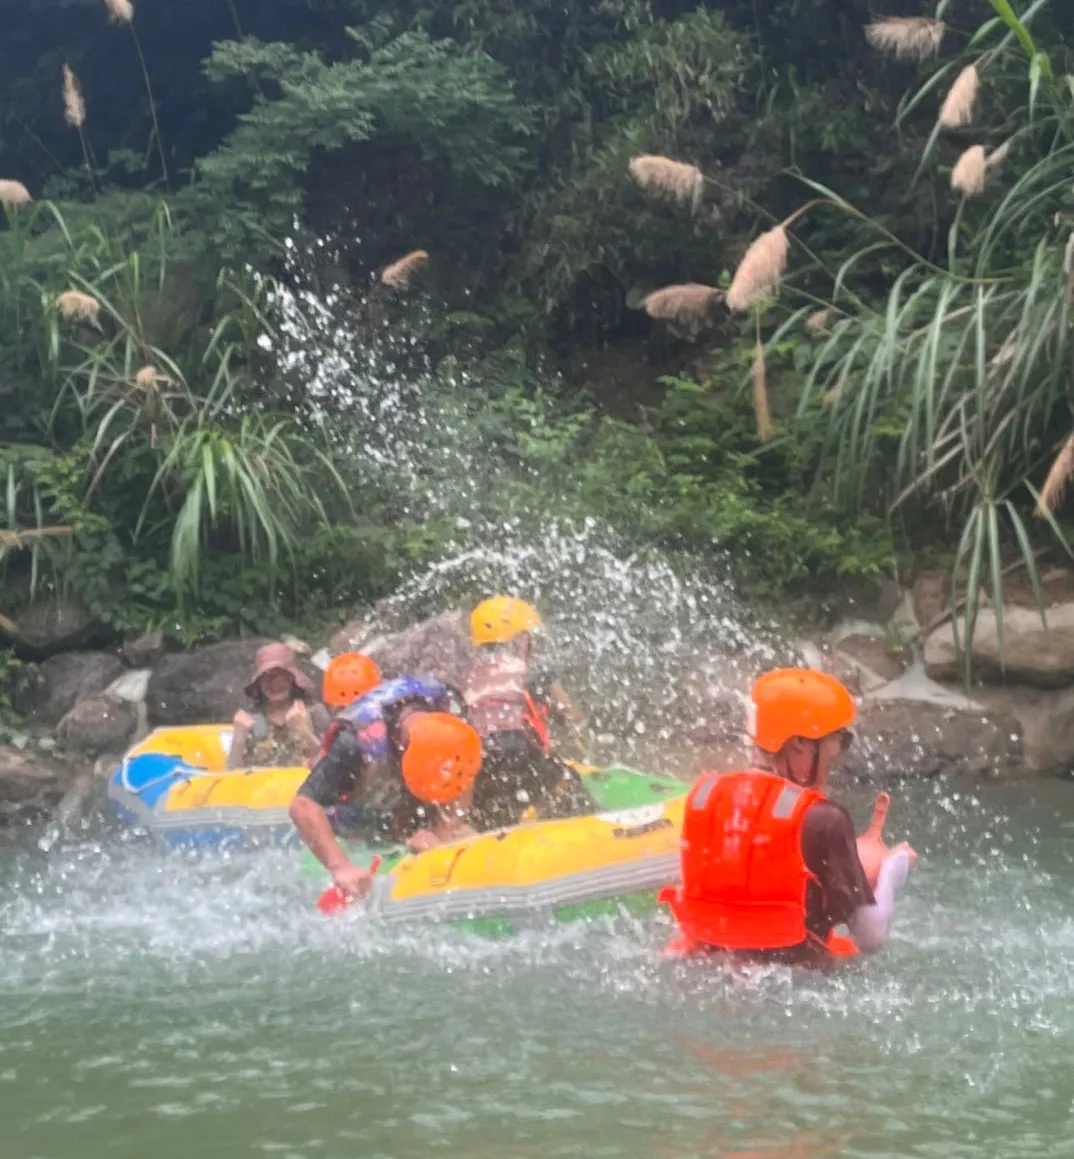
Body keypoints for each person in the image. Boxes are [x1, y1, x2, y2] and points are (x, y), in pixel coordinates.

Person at [659, 668, 916, 965]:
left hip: (698, 970)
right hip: (794, 981)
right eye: (837, 744)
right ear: (799, 743)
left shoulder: (704, 798)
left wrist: (850, 864)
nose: (836, 757)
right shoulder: (823, 819)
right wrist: (892, 869)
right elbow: (871, 938)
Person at [288, 675, 483, 900]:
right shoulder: (353, 742)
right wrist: (341, 868)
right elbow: (302, 805)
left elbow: (464, 771)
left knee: (460, 831)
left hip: (399, 782)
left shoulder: (451, 711)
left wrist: (441, 832)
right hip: (354, 816)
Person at [463, 596, 595, 831]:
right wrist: (575, 719)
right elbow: (570, 712)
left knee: (492, 810)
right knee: (568, 784)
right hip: (520, 752)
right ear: (522, 639)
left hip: (477, 763)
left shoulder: (468, 674)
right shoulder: (531, 670)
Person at [228, 642, 330, 769]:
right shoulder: (250, 719)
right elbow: (232, 773)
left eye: (281, 676)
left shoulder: (315, 712)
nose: (275, 683)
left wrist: (304, 731)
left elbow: (331, 764)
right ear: (259, 683)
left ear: (293, 679)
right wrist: (238, 739)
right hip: (263, 781)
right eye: (267, 677)